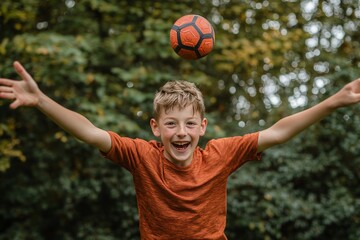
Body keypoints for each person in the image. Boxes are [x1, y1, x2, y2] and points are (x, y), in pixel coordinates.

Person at [1, 61, 360, 239]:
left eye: (190, 124)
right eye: (171, 123)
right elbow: (90, 132)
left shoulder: (219, 154)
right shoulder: (142, 155)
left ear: (202, 127)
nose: (181, 132)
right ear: (156, 128)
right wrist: (42, 101)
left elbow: (277, 133)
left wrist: (335, 101)